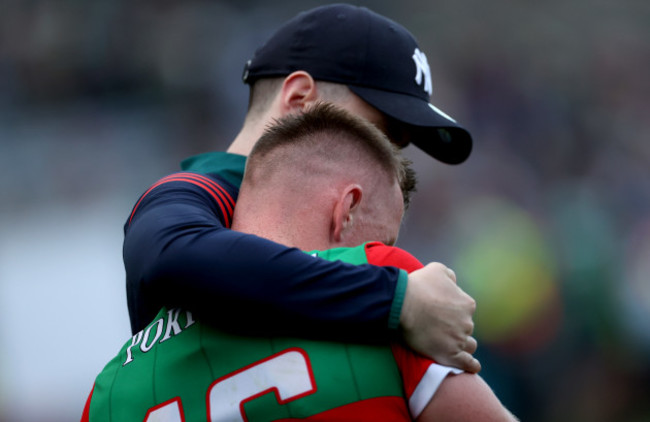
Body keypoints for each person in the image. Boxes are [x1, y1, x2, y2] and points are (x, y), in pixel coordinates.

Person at [83, 104, 516, 421]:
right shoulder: (388, 285)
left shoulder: (108, 389)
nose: (378, 250)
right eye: (382, 235)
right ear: (345, 210)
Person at [124, 4, 479, 372]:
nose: (388, 161)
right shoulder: (197, 194)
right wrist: (397, 300)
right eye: (381, 132)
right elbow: (170, 253)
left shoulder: (341, 223)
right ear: (299, 101)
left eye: (397, 147)